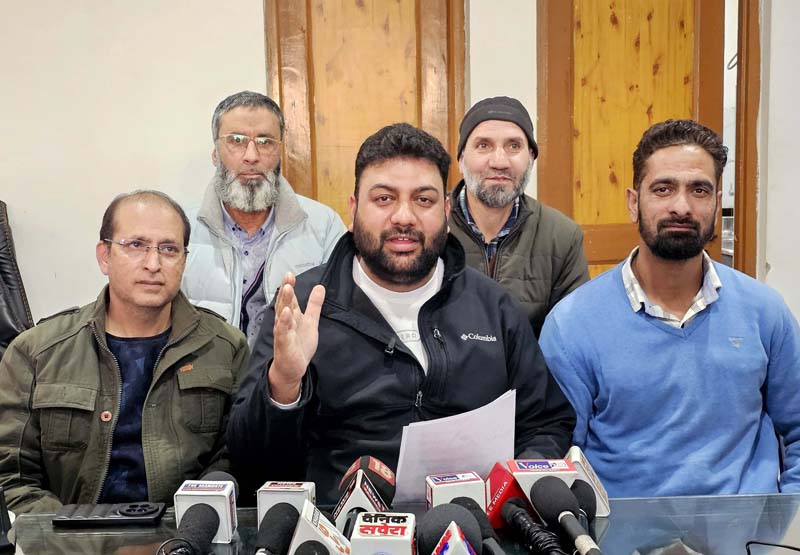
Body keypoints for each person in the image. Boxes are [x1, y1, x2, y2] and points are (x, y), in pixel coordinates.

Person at [228, 122, 576, 504]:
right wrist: (283, 383)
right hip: (340, 524)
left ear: (446, 211)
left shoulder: (493, 307)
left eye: (423, 200)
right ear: (353, 210)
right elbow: (250, 462)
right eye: (384, 199)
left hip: (473, 520)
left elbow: (546, 423)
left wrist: (510, 489)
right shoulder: (303, 306)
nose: (404, 217)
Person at [539, 119, 800, 497]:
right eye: (663, 189)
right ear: (634, 203)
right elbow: (558, 459)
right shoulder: (572, 325)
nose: (682, 207)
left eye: (699, 190)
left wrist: (787, 517)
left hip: (745, 529)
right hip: (622, 531)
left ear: (717, 202)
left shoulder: (765, 313)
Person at [0, 191, 249, 514]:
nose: (153, 264)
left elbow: (234, 461)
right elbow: (12, 478)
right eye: (136, 245)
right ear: (104, 256)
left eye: (169, 249)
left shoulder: (225, 348)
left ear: (184, 260)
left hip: (183, 534)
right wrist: (71, 533)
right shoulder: (37, 352)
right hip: (68, 535)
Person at [182, 91, 346, 346]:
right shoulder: (182, 229)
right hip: (206, 370)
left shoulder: (324, 226)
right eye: (236, 140)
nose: (251, 156)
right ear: (215, 153)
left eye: (265, 141)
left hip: (294, 368)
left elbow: (343, 319)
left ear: (280, 151)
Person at [449, 96, 589, 336]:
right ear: (461, 159)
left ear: (531, 158)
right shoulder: (430, 228)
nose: (499, 161)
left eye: (514, 146)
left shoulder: (562, 237)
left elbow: (573, 337)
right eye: (483, 145)